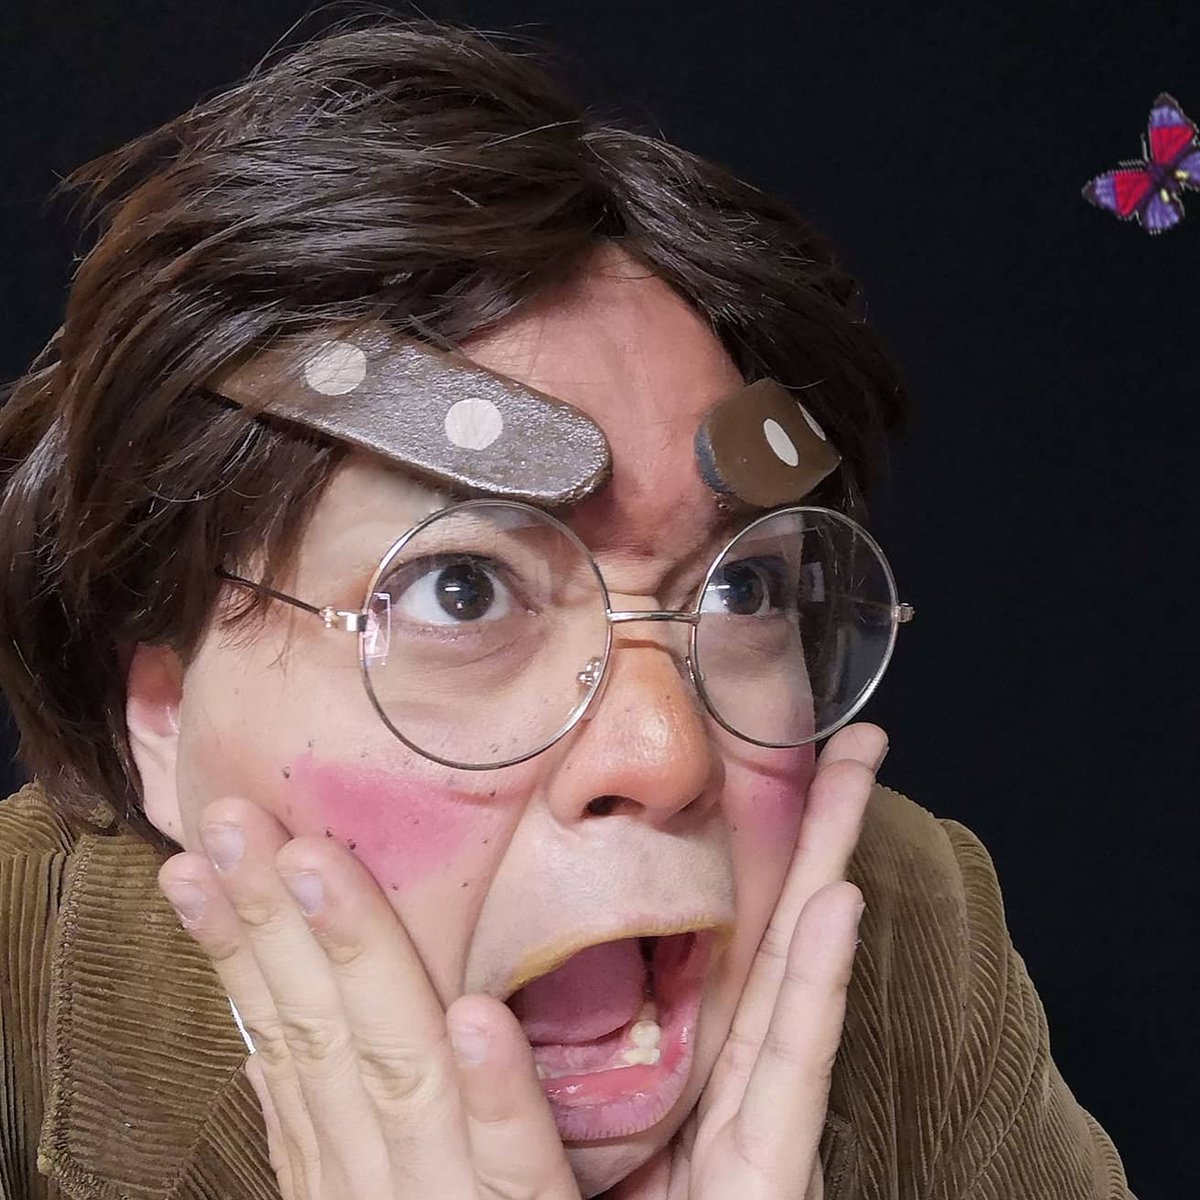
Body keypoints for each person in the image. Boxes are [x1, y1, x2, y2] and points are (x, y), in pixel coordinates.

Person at [0, 19, 1133, 1200]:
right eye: (464, 589)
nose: (667, 752)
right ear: (162, 715)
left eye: (740, 588)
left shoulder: (907, 922)